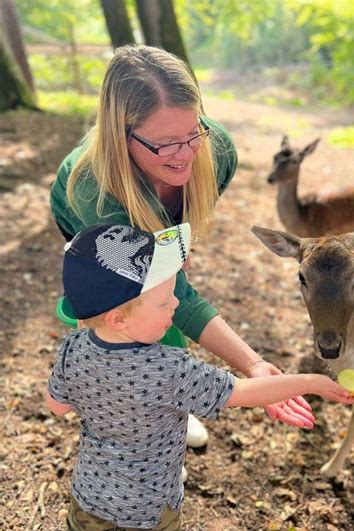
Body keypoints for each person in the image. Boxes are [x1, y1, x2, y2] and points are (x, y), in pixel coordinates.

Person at [47, 222, 354, 531]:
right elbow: (242, 392)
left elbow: (58, 407)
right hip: (152, 502)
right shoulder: (172, 368)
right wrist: (310, 382)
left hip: (91, 486)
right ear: (119, 318)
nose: (176, 304)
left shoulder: (72, 350)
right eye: (165, 302)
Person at [49, 45, 313, 449]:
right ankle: (120, 398)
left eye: (193, 133)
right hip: (87, 220)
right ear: (121, 136)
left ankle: (167, 389)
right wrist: (252, 364)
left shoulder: (217, 151)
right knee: (128, 307)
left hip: (144, 212)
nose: (187, 154)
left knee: (161, 292)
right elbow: (177, 295)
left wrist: (166, 247)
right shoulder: (94, 193)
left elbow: (174, 271)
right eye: (167, 143)